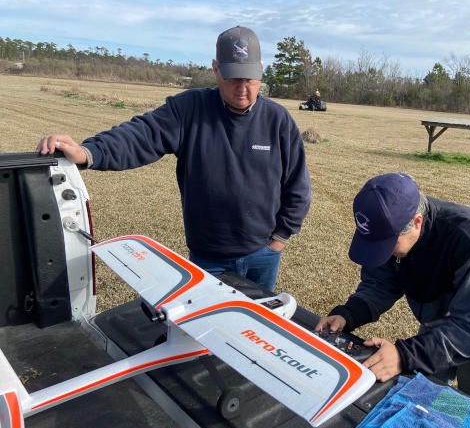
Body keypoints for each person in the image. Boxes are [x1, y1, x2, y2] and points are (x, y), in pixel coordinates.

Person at [36, 26, 311, 292]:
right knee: (203, 320)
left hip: (263, 254)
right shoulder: (189, 109)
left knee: (258, 319)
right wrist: (88, 153)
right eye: (232, 78)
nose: (242, 88)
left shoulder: (278, 120)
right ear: (216, 69)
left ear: (261, 71)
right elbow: (140, 135)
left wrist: (279, 239)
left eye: (249, 79)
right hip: (208, 257)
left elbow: (298, 186)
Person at [315, 172, 470, 407]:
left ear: (417, 222)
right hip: (440, 320)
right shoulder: (388, 227)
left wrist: (403, 355)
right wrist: (349, 314)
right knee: (426, 398)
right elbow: (380, 283)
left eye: (388, 244)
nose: (383, 253)